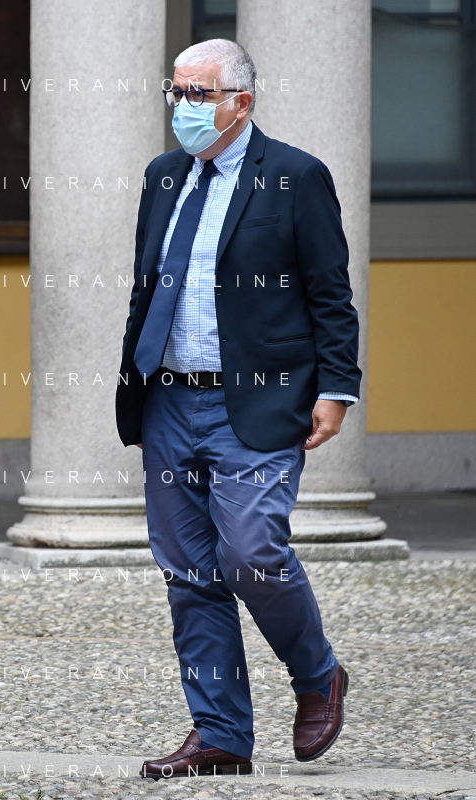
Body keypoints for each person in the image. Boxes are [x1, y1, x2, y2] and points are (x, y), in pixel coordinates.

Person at [115, 40, 359, 780]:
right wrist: (136, 384)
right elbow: (146, 286)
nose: (181, 107)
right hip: (169, 399)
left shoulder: (294, 175)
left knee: (252, 553)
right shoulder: (163, 176)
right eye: (176, 91)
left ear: (241, 103)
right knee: (189, 573)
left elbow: (329, 293)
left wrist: (335, 387)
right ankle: (219, 734)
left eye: (198, 94)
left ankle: (316, 673)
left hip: (256, 398)